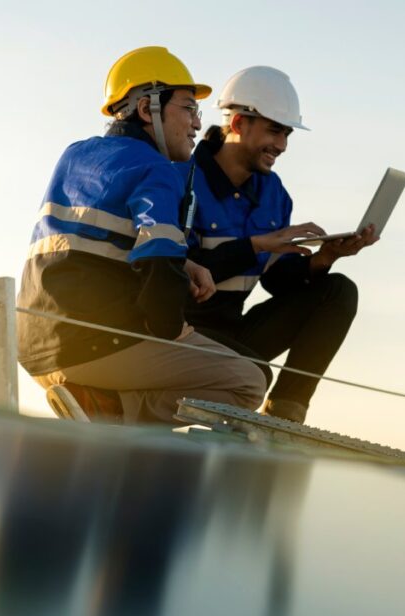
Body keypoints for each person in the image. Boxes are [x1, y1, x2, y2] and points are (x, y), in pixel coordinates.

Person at [17, 46, 267, 424]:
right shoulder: (156, 168)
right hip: (95, 346)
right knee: (249, 382)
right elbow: (158, 260)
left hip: (34, 346)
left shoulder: (74, 155)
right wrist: (172, 329)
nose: (197, 124)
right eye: (188, 108)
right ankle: (113, 408)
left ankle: (105, 405)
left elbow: (91, 241)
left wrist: (186, 262)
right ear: (146, 109)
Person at [180, 67, 377, 424]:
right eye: (274, 131)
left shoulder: (274, 194)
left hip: (233, 333)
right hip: (180, 334)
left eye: (286, 134)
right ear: (238, 123)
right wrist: (254, 245)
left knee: (338, 291)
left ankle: (284, 419)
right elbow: (180, 276)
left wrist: (324, 258)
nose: (282, 146)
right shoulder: (182, 178)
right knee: (255, 372)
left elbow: (275, 281)